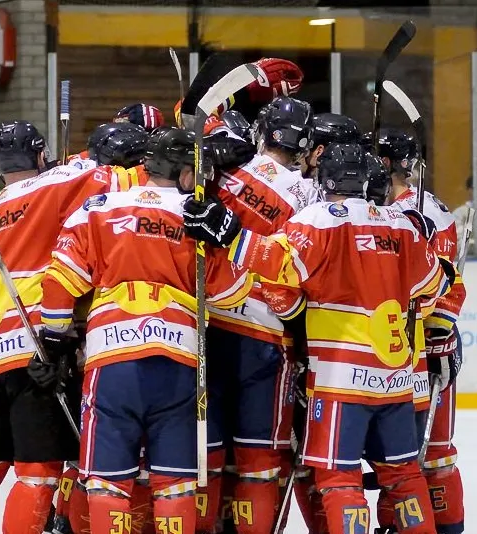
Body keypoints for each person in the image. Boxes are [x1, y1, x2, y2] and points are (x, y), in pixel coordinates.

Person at [184, 143, 455, 534]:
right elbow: (435, 286)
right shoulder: (402, 225)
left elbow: (279, 264)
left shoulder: (320, 219)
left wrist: (229, 234)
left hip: (340, 378)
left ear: (326, 179)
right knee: (404, 476)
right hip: (397, 379)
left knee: (338, 478)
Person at [35, 126, 252, 534]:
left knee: (107, 480)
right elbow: (231, 293)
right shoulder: (197, 216)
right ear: (188, 175)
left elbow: (59, 281)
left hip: (111, 360)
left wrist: (57, 342)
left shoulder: (99, 208)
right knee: (175, 481)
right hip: (178, 361)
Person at [0, 120, 139, 534]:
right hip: (37, 354)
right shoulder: (57, 184)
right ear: (40, 155)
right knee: (37, 473)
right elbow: (117, 176)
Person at [195, 96, 317, 534]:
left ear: (262, 132)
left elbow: (186, 119)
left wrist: (210, 148)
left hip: (206, 329)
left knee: (205, 456)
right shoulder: (312, 197)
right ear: (307, 147)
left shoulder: (226, 168)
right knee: (260, 460)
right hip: (267, 335)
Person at [376, 129, 467, 534]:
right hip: (396, 347)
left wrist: (437, 339)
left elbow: (446, 284)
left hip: (426, 349)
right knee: (398, 459)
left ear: (385, 163)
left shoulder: (423, 210)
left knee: (432, 457)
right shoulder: (378, 208)